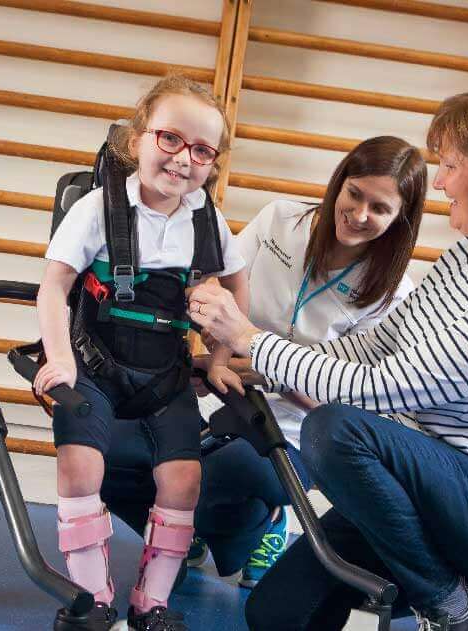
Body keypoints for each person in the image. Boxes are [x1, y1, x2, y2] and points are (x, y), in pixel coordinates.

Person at [187, 83, 468, 631]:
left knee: (336, 429)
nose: (440, 182)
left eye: (452, 165)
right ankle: (434, 578)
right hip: (426, 491)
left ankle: (453, 602)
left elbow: (382, 386)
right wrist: (260, 366)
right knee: (276, 614)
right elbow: (381, 341)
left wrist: (253, 339)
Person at [33, 75, 248, 631]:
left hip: (164, 375)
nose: (183, 159)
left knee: (184, 481)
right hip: (95, 365)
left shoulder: (208, 220)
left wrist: (221, 357)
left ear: (213, 161)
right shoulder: (97, 210)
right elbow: (54, 286)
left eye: (202, 150)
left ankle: (151, 601)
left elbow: (235, 288)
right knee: (80, 466)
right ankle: (92, 597)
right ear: (137, 142)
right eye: (170, 139)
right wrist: (59, 360)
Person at [188, 135, 425, 588]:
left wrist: (248, 370)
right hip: (221, 392)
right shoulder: (280, 219)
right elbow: (223, 294)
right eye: (354, 194)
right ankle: (201, 523)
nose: (359, 215)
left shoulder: (396, 296)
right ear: (339, 182)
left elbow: (344, 402)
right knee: (147, 459)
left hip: (299, 430)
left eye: (380, 208)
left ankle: (266, 518)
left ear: (400, 220)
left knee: (229, 474)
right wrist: (211, 357)